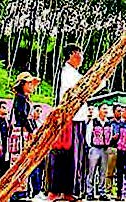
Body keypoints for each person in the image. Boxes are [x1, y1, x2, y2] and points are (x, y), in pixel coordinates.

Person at [48, 43, 89, 201]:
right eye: (80, 53)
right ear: (72, 54)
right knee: (63, 154)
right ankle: (55, 190)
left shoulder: (76, 74)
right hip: (69, 118)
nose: (82, 57)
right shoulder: (66, 73)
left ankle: (69, 190)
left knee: (76, 157)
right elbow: (72, 93)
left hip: (79, 118)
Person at [9, 73, 40, 199]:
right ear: (22, 84)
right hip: (21, 134)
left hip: (24, 133)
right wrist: (32, 131)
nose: (32, 86)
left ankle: (22, 190)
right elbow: (22, 117)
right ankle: (17, 191)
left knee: (23, 162)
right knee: (19, 161)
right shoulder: (20, 98)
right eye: (29, 83)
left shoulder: (25, 98)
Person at [88, 105, 114, 200]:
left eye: (106, 109)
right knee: (92, 171)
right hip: (95, 148)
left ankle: (102, 192)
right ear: (99, 110)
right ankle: (90, 192)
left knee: (103, 172)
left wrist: (108, 144)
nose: (105, 111)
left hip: (105, 149)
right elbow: (88, 134)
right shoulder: (93, 121)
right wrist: (91, 146)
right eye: (103, 109)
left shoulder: (108, 123)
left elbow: (110, 134)